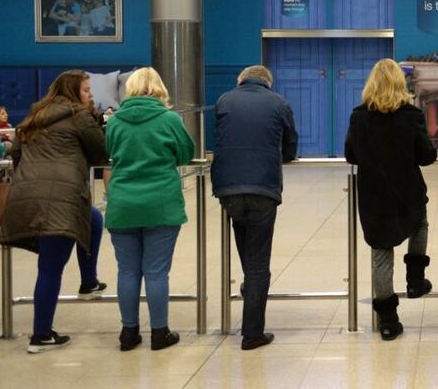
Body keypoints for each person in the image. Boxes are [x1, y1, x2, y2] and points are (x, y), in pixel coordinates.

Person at [0, 70, 109, 353]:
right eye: (86, 90)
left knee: (94, 219)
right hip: (62, 197)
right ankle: (41, 335)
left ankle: (89, 281)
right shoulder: (80, 116)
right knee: (50, 268)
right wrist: (96, 121)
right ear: (73, 93)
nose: (91, 95)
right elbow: (100, 153)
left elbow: (15, 152)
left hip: (26, 195)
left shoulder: (34, 117)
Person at [345, 59, 436, 341]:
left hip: (373, 196)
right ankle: (415, 280)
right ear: (400, 82)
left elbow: (351, 155)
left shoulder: (359, 116)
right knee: (419, 224)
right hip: (407, 192)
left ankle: (387, 321)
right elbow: (427, 156)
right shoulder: (411, 115)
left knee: (381, 253)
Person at [105, 68, 195, 351]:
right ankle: (160, 333)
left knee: (127, 271)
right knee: (156, 273)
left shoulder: (115, 120)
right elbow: (185, 154)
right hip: (160, 203)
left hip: (122, 204)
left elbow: (110, 153)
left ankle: (128, 333)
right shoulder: (169, 119)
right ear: (159, 88)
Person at [213, 65, 297, 350]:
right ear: (267, 82)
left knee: (246, 249)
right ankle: (252, 333)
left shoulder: (224, 100)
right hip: (263, 187)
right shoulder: (279, 102)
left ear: (241, 80)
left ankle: (250, 291)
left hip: (229, 189)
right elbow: (290, 145)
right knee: (259, 262)